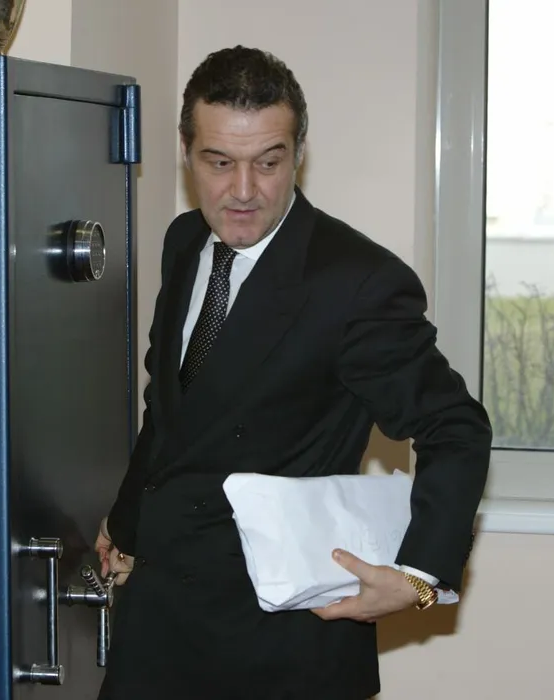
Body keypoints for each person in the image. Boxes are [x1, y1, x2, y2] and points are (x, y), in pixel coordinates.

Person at [95, 45, 492, 700]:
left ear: (298, 154)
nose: (243, 190)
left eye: (268, 163)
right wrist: (126, 522)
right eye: (219, 163)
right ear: (186, 152)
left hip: (280, 645)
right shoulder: (183, 241)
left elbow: (455, 428)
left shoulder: (356, 281)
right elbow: (169, 413)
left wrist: (419, 577)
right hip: (159, 627)